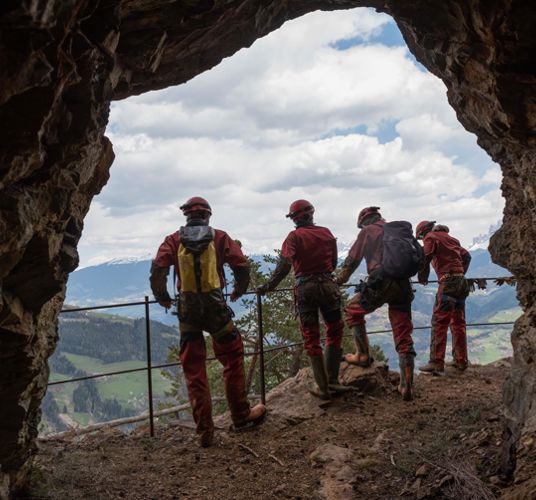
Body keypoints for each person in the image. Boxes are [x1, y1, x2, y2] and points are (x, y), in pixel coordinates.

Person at [150, 197, 266, 447]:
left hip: (188, 311)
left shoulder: (173, 239)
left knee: (193, 368)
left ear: (187, 217)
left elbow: (158, 269)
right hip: (216, 309)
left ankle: (204, 431)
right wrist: (238, 291)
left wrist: (163, 298)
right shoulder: (220, 237)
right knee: (233, 357)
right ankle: (241, 415)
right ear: (208, 216)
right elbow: (242, 266)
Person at [257, 200, 347, 400]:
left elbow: (284, 266)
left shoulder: (294, 237)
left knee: (311, 335)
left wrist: (268, 287)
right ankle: (333, 380)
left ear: (294, 218)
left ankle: (322, 386)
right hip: (329, 286)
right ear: (312, 214)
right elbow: (332, 263)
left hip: (306, 289)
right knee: (334, 329)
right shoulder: (326, 232)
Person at [336, 207, 417, 401]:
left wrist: (339, 281)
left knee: (352, 310)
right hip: (403, 284)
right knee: (403, 332)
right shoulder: (396, 231)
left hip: (381, 281)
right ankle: (407, 386)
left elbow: (352, 260)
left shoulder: (368, 231)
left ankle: (362, 355)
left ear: (364, 222)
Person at [416, 221, 471, 373]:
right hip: (461, 283)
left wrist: (422, 277)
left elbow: (425, 258)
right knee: (458, 323)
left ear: (422, 233)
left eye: (421, 238)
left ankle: (436, 362)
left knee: (439, 321)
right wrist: (460, 273)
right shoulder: (452, 239)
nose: (422, 240)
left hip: (448, 283)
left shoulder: (430, 237)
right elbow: (467, 257)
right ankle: (461, 361)